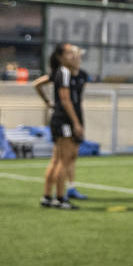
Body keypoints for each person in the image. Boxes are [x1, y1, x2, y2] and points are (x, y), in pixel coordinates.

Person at [38, 43, 88, 210]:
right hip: (65, 120)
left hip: (63, 119)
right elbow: (66, 101)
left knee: (60, 159)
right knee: (64, 160)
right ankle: (60, 198)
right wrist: (76, 122)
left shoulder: (72, 73)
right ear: (60, 57)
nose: (74, 56)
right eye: (69, 54)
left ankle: (47, 196)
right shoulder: (64, 72)